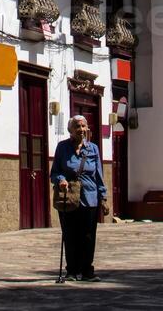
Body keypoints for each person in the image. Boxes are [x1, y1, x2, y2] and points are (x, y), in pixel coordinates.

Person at [50, 114, 107, 282]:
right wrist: (61, 180)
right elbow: (54, 173)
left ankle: (87, 270)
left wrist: (102, 196)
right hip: (69, 198)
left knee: (88, 236)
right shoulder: (62, 148)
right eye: (77, 127)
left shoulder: (93, 149)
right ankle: (72, 270)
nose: (81, 130)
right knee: (70, 234)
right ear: (70, 130)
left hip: (90, 198)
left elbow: (99, 174)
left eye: (83, 127)